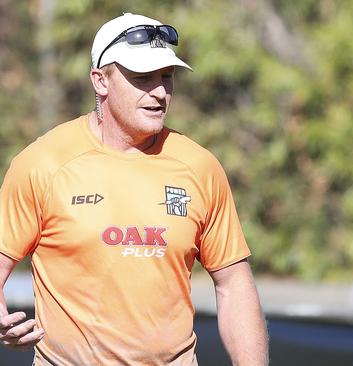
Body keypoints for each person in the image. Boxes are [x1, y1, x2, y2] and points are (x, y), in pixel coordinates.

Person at [0, 12, 268, 365]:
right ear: (101, 81)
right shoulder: (42, 163)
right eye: (142, 78)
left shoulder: (199, 166)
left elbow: (233, 284)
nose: (160, 92)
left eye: (167, 77)